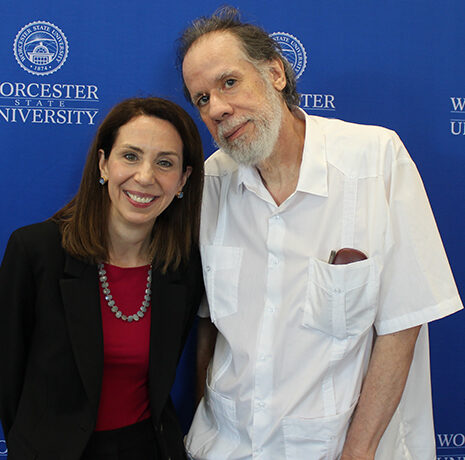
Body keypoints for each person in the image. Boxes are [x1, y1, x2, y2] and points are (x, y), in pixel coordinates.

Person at [177, 7, 463, 460]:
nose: (217, 108)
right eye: (201, 98)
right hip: (225, 446)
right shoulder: (211, 183)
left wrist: (357, 452)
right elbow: (210, 324)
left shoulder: (376, 160)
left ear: (275, 72)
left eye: (228, 82)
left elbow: (403, 326)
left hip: (338, 449)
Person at [0, 97, 205, 460]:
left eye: (165, 163)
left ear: (183, 179)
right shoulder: (36, 251)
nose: (145, 176)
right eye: (130, 156)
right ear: (103, 163)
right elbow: (8, 375)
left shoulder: (185, 267)